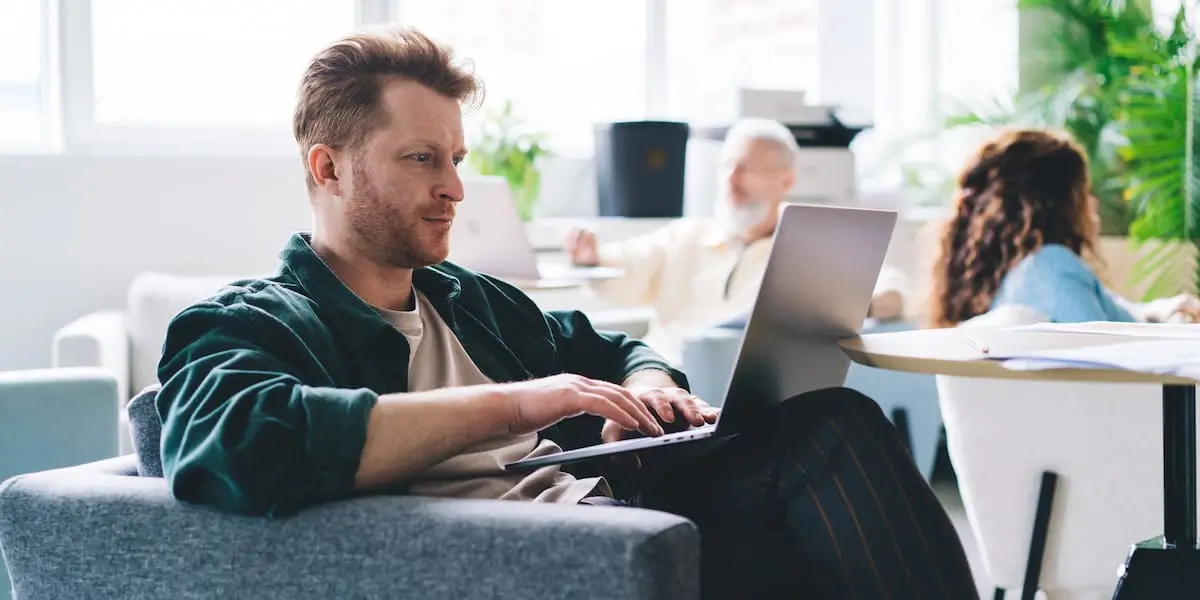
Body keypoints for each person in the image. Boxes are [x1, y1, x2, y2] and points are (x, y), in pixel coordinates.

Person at [154, 26, 978, 599]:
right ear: (327, 168)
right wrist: (522, 401)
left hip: (625, 518)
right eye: (420, 159)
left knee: (832, 424)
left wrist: (650, 387)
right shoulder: (254, 321)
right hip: (536, 561)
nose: (453, 188)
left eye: (455, 159)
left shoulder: (469, 302)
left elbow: (615, 347)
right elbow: (238, 441)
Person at [565, 118, 912, 364]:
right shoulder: (687, 236)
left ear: (786, 181)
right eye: (726, 167)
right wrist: (590, 257)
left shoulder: (809, 246)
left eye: (747, 169)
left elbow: (894, 290)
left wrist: (850, 302)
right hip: (657, 376)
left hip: (734, 389)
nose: (732, 181)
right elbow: (621, 269)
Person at [929, 128, 1200, 328]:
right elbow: (1110, 356)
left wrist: (1160, 311)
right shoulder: (1051, 268)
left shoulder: (1023, 274)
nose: (1092, 205)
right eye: (1083, 192)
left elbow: (1111, 314)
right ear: (1059, 203)